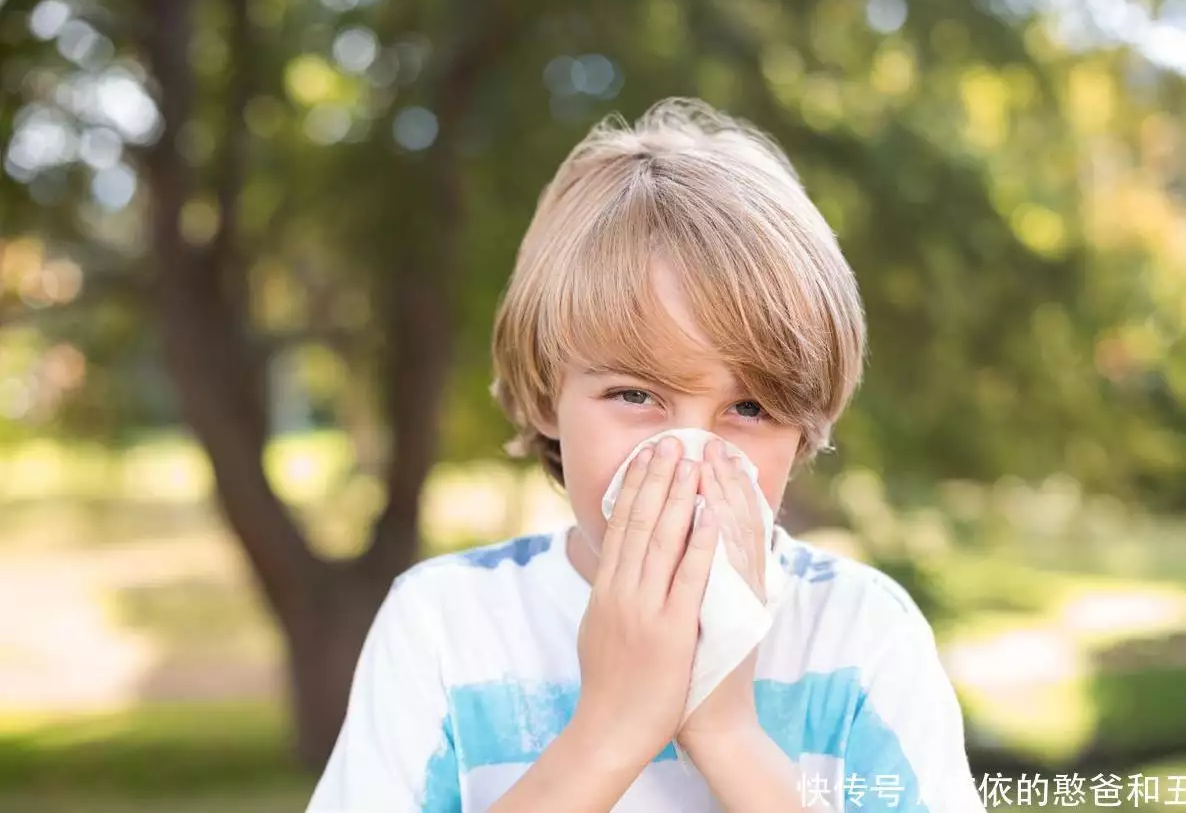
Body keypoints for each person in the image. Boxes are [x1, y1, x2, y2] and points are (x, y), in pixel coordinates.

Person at [306, 97, 986, 812]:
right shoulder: (446, 627)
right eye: (636, 395)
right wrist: (610, 730)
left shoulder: (859, 633)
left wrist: (726, 732)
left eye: (749, 409)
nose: (689, 460)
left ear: (804, 428)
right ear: (546, 395)